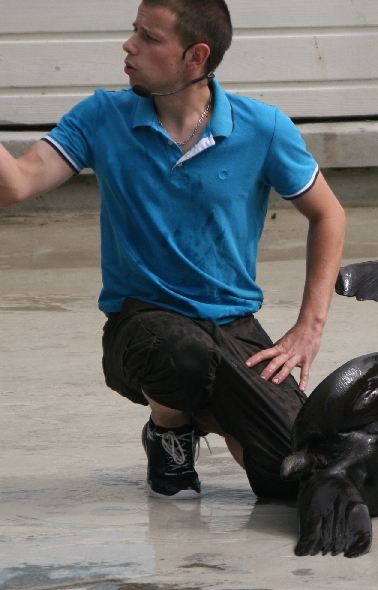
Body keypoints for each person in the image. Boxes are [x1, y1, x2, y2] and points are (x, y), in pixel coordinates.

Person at [0, 0, 346, 501]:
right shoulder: (103, 116)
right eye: (133, 30)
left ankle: (206, 412)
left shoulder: (264, 128)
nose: (129, 44)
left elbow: (329, 213)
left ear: (195, 57)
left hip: (232, 326)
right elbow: (15, 184)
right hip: (141, 329)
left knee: (292, 475)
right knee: (180, 356)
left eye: (149, 36)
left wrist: (308, 328)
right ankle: (168, 429)